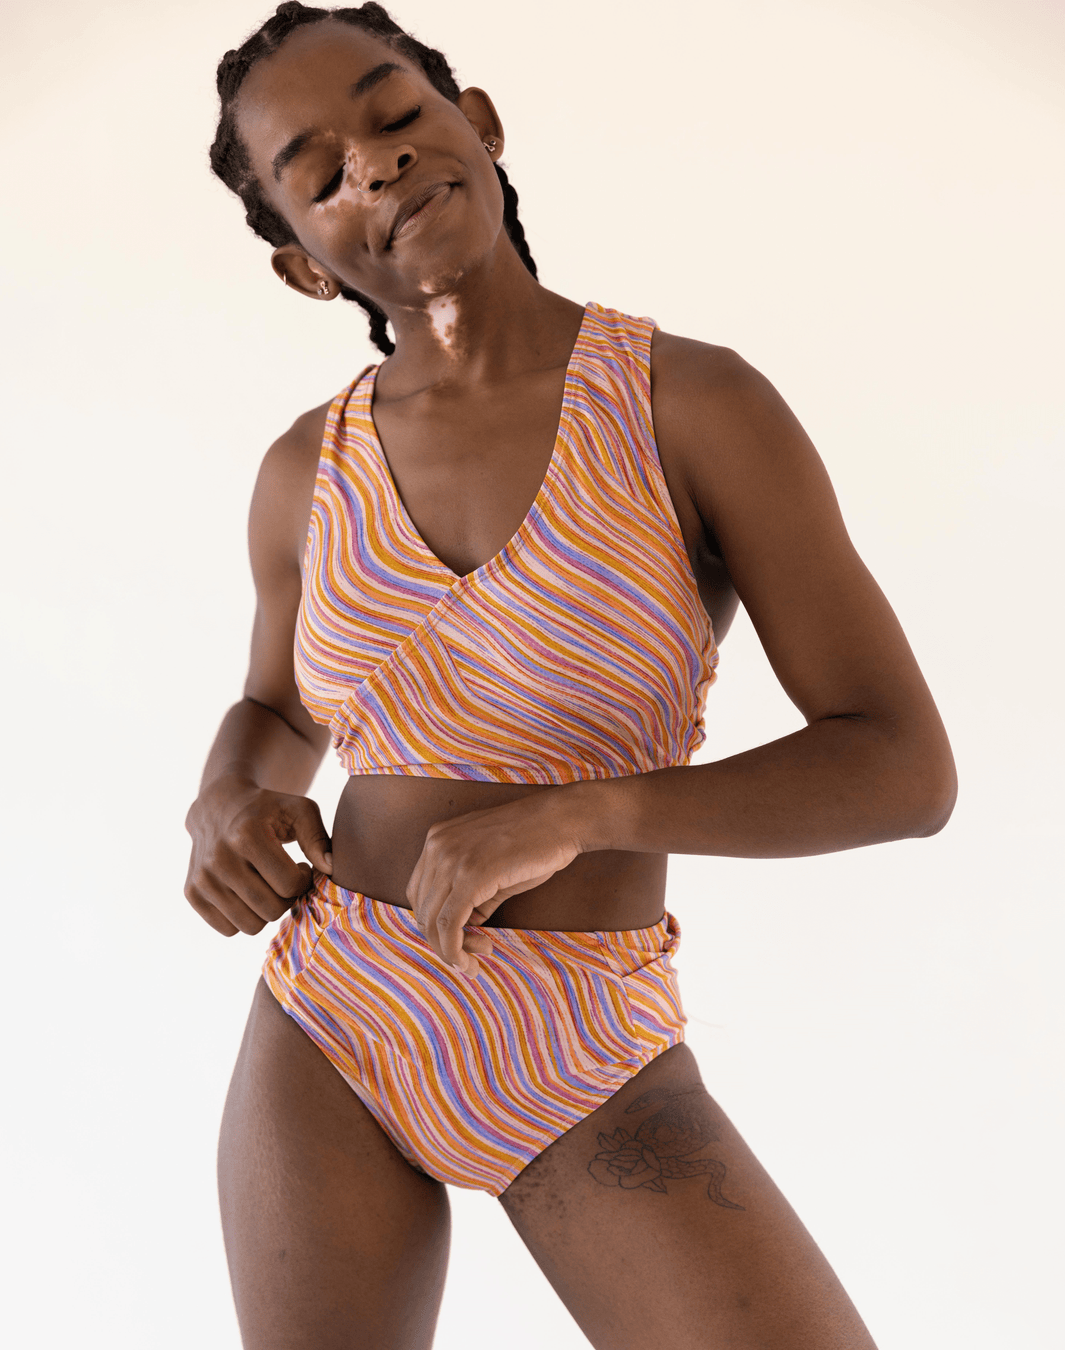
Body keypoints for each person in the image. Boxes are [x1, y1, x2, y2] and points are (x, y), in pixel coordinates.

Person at [184, 3, 956, 1346]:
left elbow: (901, 763)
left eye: (398, 112)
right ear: (307, 264)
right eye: (316, 170)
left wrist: (589, 809)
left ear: (477, 124)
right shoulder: (305, 471)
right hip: (332, 1013)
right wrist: (222, 806)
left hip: (583, 1036)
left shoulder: (691, 407)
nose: (373, 161)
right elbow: (272, 713)